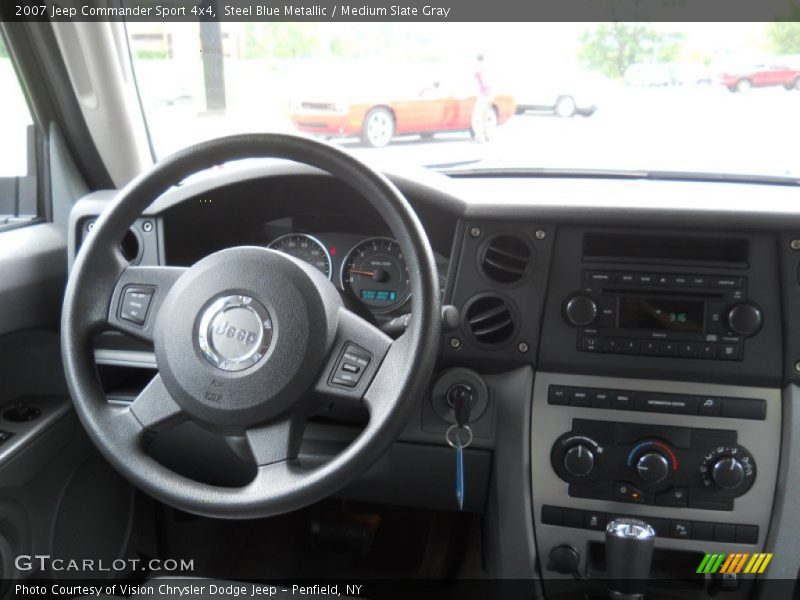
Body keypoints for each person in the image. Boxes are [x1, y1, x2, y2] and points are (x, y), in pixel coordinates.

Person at [471, 54, 492, 143]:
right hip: (489, 95)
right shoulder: (488, 67)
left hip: (483, 95)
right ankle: (487, 135)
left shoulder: (479, 69)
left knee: (477, 117)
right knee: (485, 116)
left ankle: (480, 136)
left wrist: (482, 88)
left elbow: (483, 83)